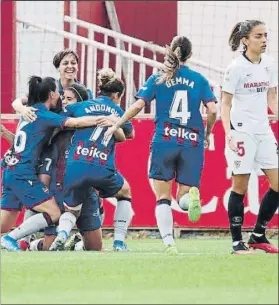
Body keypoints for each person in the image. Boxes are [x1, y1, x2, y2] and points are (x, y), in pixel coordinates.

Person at [104, 36, 217, 254]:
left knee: (162, 197)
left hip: (165, 140)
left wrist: (117, 123)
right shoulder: (199, 79)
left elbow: (138, 105)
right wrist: (208, 133)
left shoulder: (158, 78)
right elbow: (212, 110)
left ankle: (168, 243)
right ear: (190, 55)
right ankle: (190, 199)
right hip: (192, 142)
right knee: (183, 195)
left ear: (170, 53)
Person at [0, 76, 108, 251]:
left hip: (10, 169)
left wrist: (17, 111)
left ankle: (12, 237)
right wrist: (101, 119)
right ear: (51, 94)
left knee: (3, 224)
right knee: (54, 213)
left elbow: (25, 144)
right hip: (22, 173)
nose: (60, 96)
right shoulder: (44, 115)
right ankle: (11, 239)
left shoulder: (29, 112)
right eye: (58, 93)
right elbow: (74, 122)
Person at [49, 69, 134, 251]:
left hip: (74, 165)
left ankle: (62, 235)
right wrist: (113, 123)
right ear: (117, 95)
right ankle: (119, 242)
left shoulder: (80, 107)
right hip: (100, 164)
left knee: (72, 209)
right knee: (125, 192)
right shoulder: (117, 110)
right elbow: (130, 134)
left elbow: (58, 116)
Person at [221, 20, 278, 254]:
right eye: (258, 36)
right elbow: (225, 104)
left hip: (264, 132)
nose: (264, 40)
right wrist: (229, 135)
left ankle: (258, 235)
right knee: (240, 187)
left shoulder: (270, 64)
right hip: (242, 133)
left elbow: (272, 98)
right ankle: (237, 242)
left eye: (265, 35)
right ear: (245, 40)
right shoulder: (235, 68)